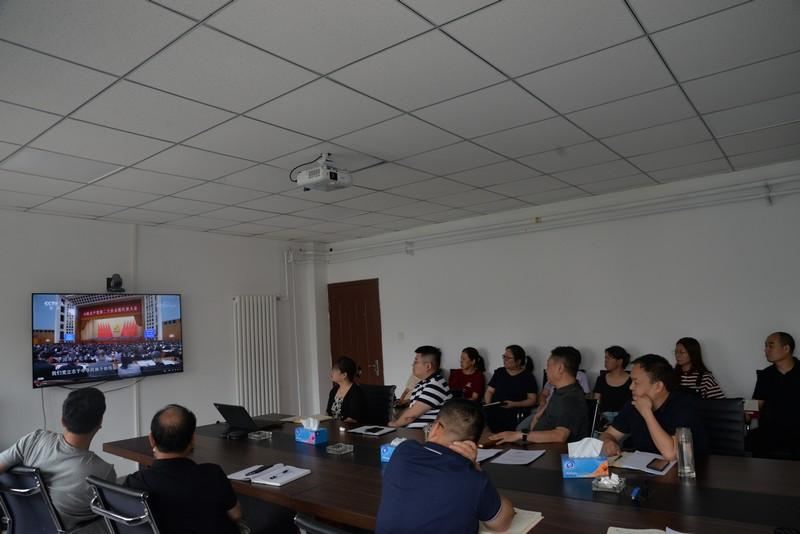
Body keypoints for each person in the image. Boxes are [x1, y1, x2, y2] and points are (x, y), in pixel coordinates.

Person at [124, 404, 294, 533]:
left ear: (152, 440)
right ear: (192, 440)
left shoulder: (135, 482)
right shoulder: (211, 474)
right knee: (283, 515)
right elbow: (236, 515)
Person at [377, 399, 514, 533]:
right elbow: (501, 524)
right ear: (472, 444)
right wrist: (475, 468)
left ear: (436, 427)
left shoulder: (403, 451)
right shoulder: (473, 479)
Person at [0, 387, 116, 533]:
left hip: (25, 527)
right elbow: (111, 512)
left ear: (62, 420)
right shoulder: (103, 472)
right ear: (99, 423)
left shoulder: (33, 440)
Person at [599, 354, 708, 461]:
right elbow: (608, 434)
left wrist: (647, 413)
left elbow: (671, 454)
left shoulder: (684, 406)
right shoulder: (633, 404)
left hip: (689, 469)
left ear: (658, 386)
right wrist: (608, 441)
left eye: (636, 382)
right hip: (643, 467)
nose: (631, 387)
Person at [490, 346, 589, 444]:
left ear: (560, 368)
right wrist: (537, 417)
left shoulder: (571, 397)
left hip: (552, 451)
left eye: (548, 366)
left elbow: (560, 436)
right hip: (536, 445)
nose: (546, 370)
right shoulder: (561, 391)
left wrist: (520, 435)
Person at [751, 332, 800, 459]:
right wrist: (745, 414)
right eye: (765, 346)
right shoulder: (765, 375)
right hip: (770, 435)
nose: (766, 350)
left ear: (786, 348)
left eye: (771, 346)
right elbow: (755, 404)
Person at [389, 346, 451, 427]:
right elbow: (412, 409)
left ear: (428, 366)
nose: (412, 364)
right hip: (413, 431)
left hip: (424, 433)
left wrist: (393, 425)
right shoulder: (423, 384)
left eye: (416, 362)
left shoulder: (435, 384)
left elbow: (411, 416)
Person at [483, 345, 538, 432]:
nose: (505, 360)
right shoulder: (499, 372)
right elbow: (489, 391)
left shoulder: (528, 377)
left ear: (518, 361)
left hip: (515, 412)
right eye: (504, 356)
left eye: (508, 358)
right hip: (495, 410)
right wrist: (489, 405)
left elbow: (532, 400)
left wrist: (514, 404)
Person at [593, 345, 632, 423]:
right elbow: (596, 402)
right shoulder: (601, 378)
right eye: (605, 358)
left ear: (620, 361)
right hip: (604, 418)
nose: (606, 361)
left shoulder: (632, 380)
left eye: (609, 358)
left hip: (624, 418)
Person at [325, 356, 368, 423]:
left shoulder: (356, 392)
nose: (331, 373)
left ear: (344, 375)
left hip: (349, 427)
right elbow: (328, 412)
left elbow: (352, 419)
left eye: (335, 370)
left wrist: (337, 426)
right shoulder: (334, 390)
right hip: (333, 426)